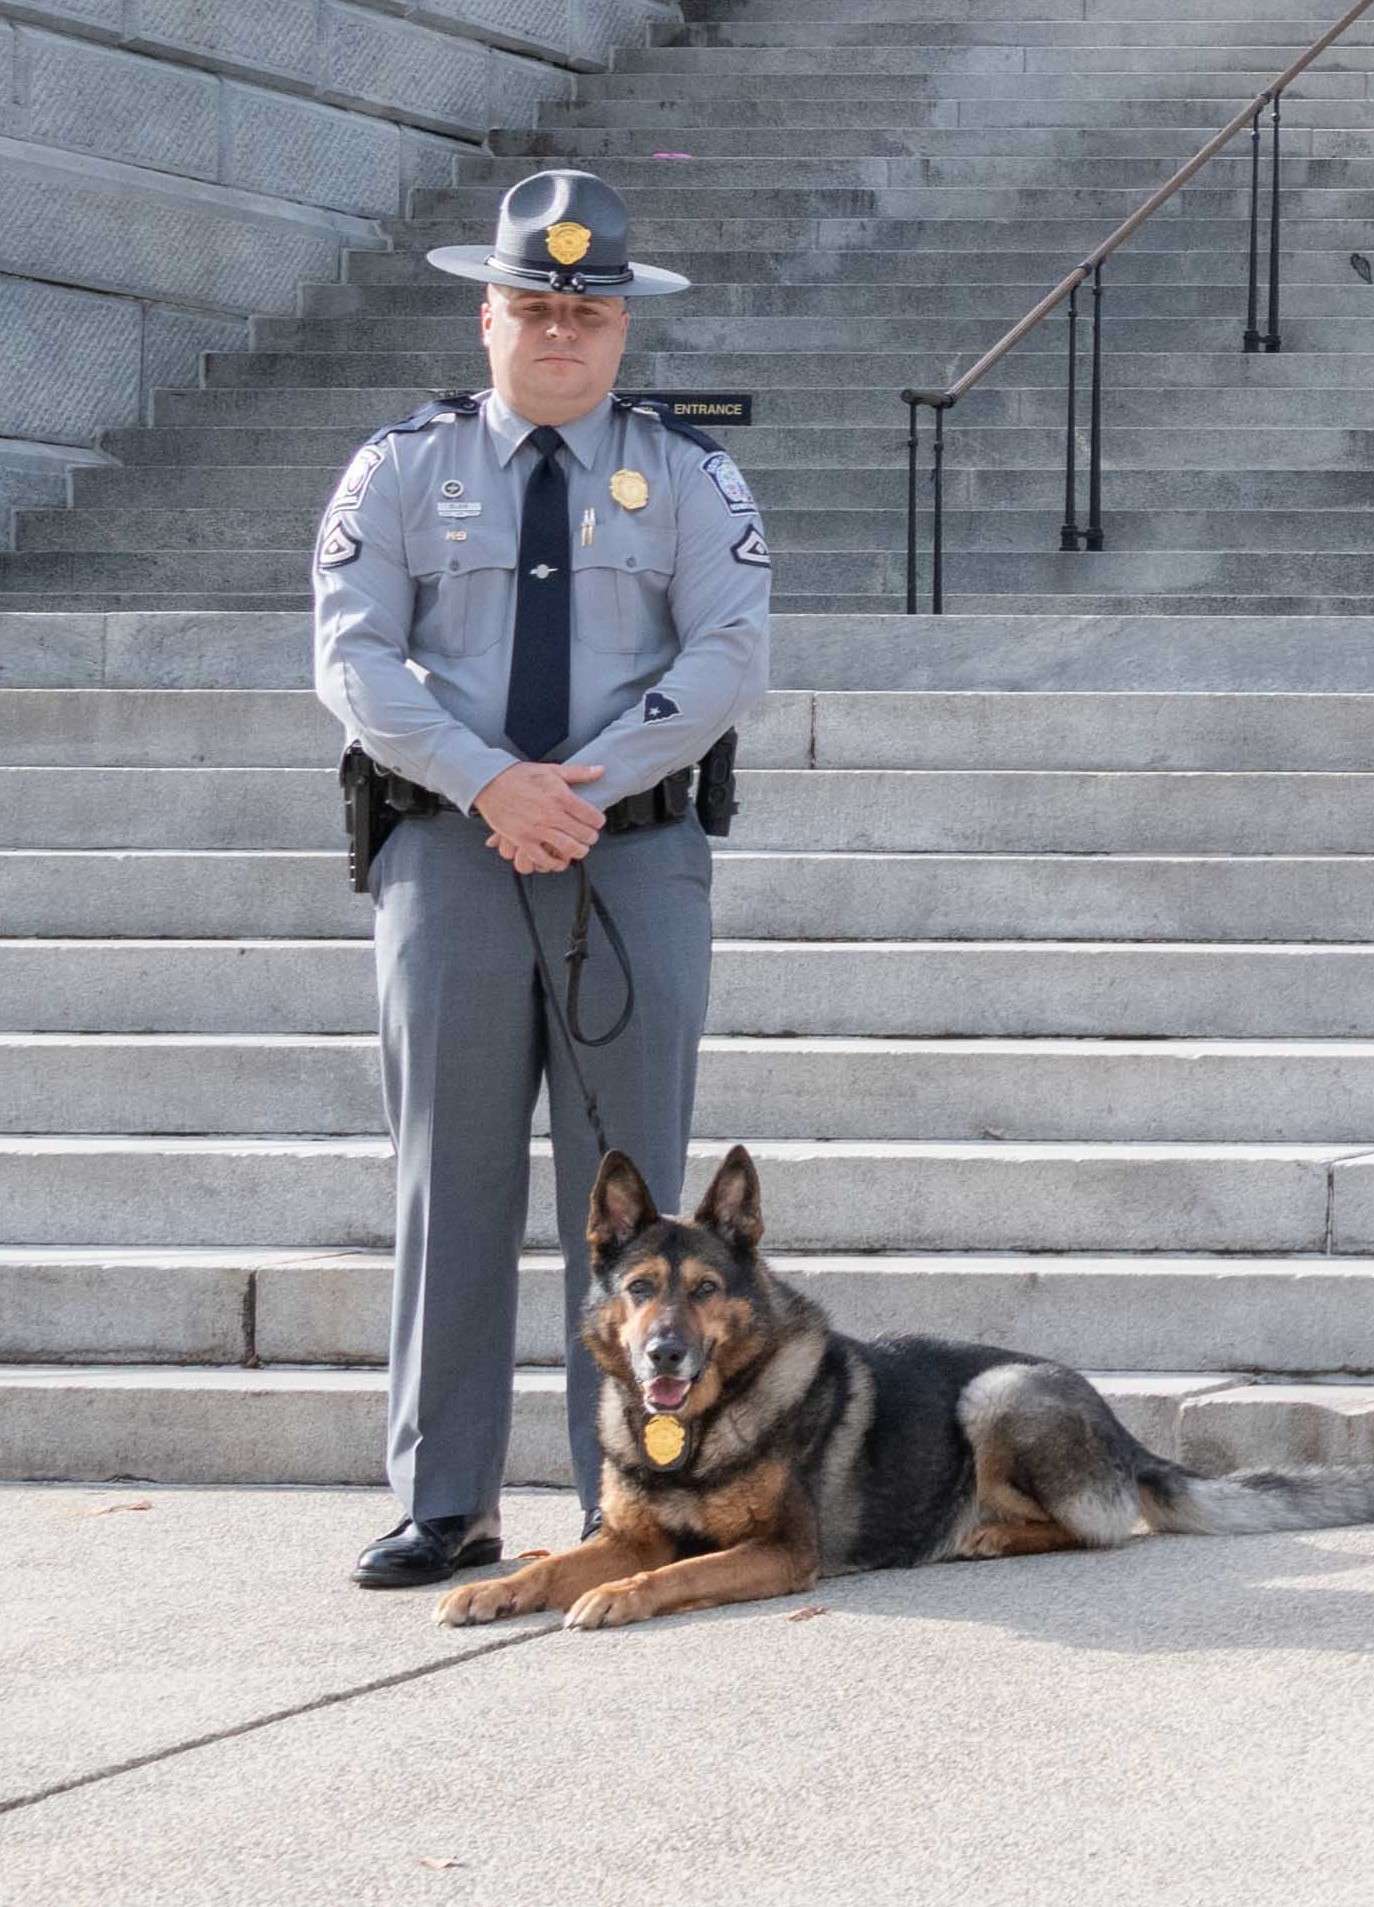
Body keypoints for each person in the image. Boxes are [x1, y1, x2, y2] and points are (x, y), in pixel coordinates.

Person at [317, 170, 773, 1590]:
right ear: (487, 316)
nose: (560, 329)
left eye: (586, 308)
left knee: (632, 1208)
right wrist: (488, 781)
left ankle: (624, 1505)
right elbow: (353, 655)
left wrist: (573, 786)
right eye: (535, 304)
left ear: (624, 328)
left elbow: (726, 655)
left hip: (626, 861)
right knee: (445, 1182)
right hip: (450, 857)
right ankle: (442, 1501)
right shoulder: (399, 471)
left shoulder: (692, 477)